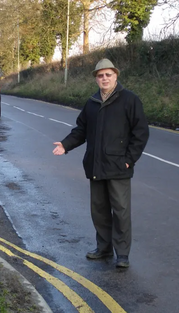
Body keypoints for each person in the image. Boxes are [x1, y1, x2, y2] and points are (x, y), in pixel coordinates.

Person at [53, 58, 149, 268]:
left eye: (108, 75)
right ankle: (103, 248)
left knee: (121, 211)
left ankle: (122, 254)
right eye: (100, 75)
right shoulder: (92, 103)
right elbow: (81, 130)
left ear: (116, 76)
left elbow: (140, 133)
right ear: (96, 79)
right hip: (95, 165)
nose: (104, 78)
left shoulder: (129, 100)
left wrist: (129, 159)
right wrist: (66, 144)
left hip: (118, 167)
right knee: (99, 210)